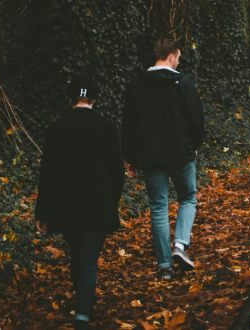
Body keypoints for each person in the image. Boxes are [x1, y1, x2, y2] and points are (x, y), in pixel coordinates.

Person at [34, 76, 124, 330]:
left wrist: (43, 211)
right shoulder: (107, 128)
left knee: (77, 256)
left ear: (70, 99)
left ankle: (83, 303)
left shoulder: (56, 129)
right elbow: (116, 172)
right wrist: (111, 200)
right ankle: (83, 313)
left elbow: (48, 173)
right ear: (94, 99)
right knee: (88, 260)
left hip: (67, 205)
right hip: (98, 204)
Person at [122, 39, 205, 280]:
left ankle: (165, 266)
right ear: (171, 56)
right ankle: (180, 245)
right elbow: (196, 117)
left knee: (158, 207)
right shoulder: (182, 82)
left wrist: (131, 156)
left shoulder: (138, 84)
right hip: (180, 154)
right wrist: (194, 145)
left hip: (150, 156)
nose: (179, 62)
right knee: (187, 197)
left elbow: (129, 123)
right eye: (178, 57)